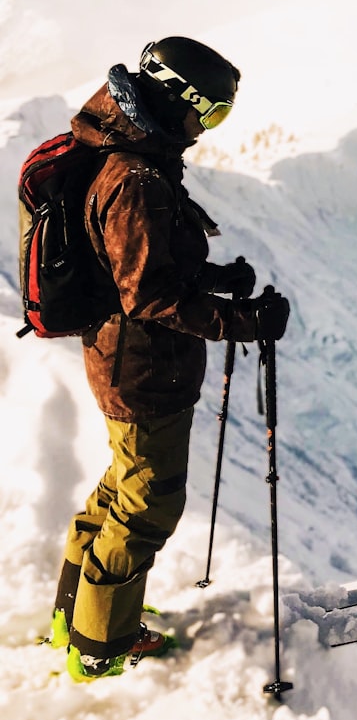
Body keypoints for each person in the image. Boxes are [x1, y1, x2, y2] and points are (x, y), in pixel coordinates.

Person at [50, 36, 290, 682]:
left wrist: (211, 277)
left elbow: (139, 266)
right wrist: (243, 321)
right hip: (143, 371)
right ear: (179, 100)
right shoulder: (136, 179)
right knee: (145, 505)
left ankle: (75, 615)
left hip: (124, 360)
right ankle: (101, 645)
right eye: (209, 113)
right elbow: (150, 295)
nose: (206, 129)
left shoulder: (129, 156)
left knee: (123, 485)